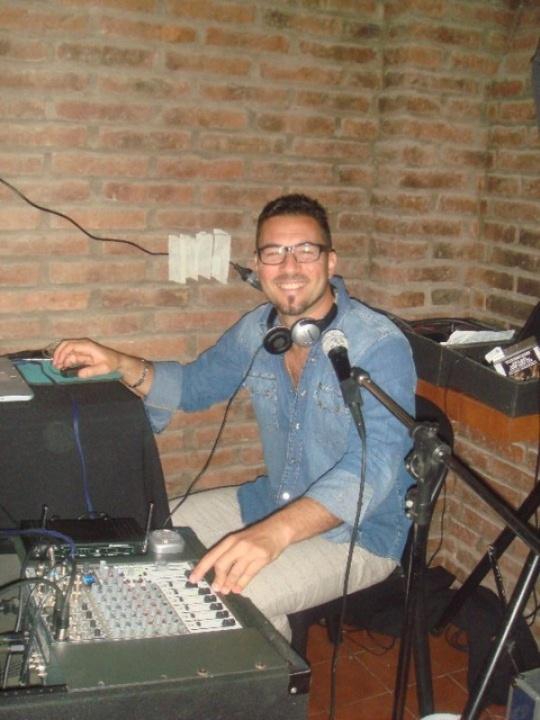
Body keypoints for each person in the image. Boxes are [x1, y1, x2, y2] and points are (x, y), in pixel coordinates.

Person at [53, 193, 417, 640]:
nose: (289, 266)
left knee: (221, 599)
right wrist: (120, 363)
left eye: (305, 250)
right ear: (258, 266)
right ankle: (274, 658)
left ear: (330, 261)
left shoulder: (377, 344)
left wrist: (274, 533)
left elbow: (374, 466)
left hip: (360, 534)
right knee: (153, 537)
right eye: (274, 253)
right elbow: (193, 386)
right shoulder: (258, 331)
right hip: (271, 501)